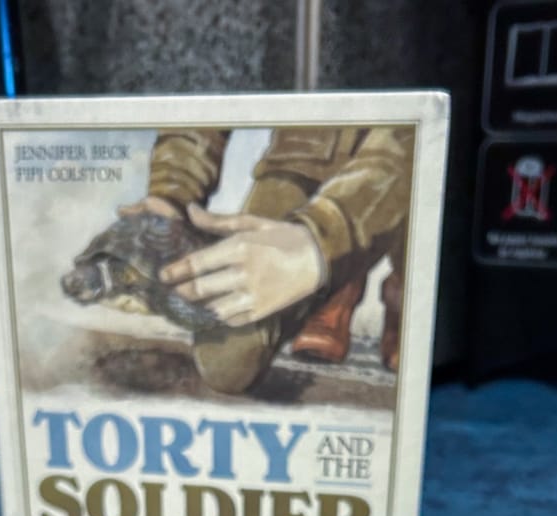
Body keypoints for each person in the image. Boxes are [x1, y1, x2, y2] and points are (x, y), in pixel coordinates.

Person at [121, 125, 413, 393]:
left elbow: (415, 136)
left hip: (392, 170)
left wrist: (323, 239)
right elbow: (205, 96)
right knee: (225, 363)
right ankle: (338, 283)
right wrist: (172, 191)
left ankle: (397, 283)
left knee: (417, 190)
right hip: (302, 157)